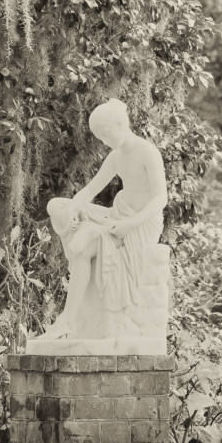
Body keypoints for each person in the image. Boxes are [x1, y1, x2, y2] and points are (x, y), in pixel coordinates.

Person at [43, 99, 168, 339]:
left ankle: (67, 320)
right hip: (117, 215)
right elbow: (89, 191)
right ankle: (90, 229)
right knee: (56, 205)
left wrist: (130, 224)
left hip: (140, 223)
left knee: (83, 248)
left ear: (121, 124)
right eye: (100, 137)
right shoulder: (115, 157)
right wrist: (73, 210)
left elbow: (160, 199)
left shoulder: (148, 152)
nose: (104, 141)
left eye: (106, 134)